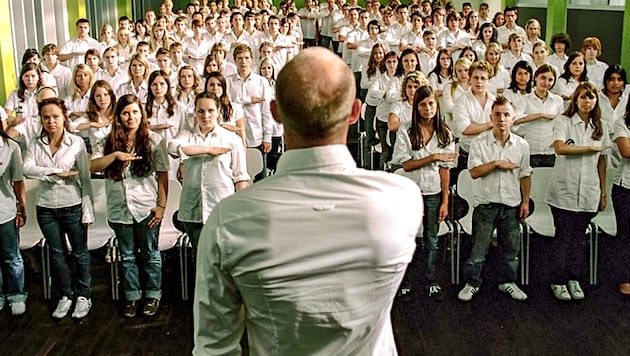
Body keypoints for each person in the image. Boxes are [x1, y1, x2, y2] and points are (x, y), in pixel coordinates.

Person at [193, 46, 422, 356]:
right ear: (355, 113)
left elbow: (215, 348)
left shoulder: (229, 220)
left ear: (276, 112)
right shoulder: (402, 199)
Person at [90, 94, 169, 317]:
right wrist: (115, 156)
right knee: (127, 256)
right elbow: (92, 166)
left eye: (135, 112)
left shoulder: (153, 140)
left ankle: (153, 295)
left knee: (150, 253)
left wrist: (162, 205)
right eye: (125, 113)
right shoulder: (107, 140)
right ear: (119, 116)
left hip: (146, 207)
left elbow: (163, 174)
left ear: (141, 114)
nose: (130, 117)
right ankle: (132, 296)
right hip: (119, 208)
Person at [23, 97, 94, 318]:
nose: (51, 121)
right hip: (45, 207)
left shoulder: (76, 143)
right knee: (57, 254)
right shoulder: (36, 143)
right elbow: (27, 167)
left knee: (80, 253)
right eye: (46, 117)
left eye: (55, 116)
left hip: (72, 204)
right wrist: (54, 173)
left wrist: (87, 209)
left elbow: (85, 178)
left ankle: (84, 295)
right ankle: (66, 295)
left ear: (64, 117)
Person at [457, 96, 532, 302]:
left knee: (511, 250)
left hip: (511, 204)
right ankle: (472, 283)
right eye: (497, 114)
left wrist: (525, 201)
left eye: (506, 115)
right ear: (491, 117)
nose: (501, 119)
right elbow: (474, 172)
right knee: (478, 250)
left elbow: (525, 174)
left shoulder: (522, 145)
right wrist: (497, 163)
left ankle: (507, 282)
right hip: (486, 204)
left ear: (513, 118)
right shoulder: (479, 142)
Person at [392, 85, 457, 301]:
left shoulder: (445, 132)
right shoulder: (406, 130)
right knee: (408, 238)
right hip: (410, 192)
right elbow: (407, 165)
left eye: (431, 103)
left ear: (437, 106)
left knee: (432, 239)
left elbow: (445, 171)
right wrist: (433, 157)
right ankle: (406, 282)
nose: (427, 108)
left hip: (433, 192)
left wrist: (445, 200)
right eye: (422, 104)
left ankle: (430, 280)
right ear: (415, 107)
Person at [545, 81, 609, 301]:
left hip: (589, 191)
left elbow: (602, 161)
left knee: (579, 239)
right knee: (563, 238)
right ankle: (558, 280)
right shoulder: (563, 121)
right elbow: (560, 148)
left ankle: (573, 279)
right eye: (583, 97)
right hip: (564, 190)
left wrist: (602, 192)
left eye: (591, 97)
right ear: (575, 99)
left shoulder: (600, 126)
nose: (587, 101)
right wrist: (590, 148)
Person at [168, 92, 249, 250]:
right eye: (200, 111)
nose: (205, 115)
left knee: (223, 256)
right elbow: (173, 147)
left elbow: (240, 178)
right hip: (193, 209)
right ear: (195, 112)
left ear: (218, 111)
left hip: (221, 208)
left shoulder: (232, 139)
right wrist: (209, 150)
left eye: (210, 110)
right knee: (199, 257)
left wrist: (240, 210)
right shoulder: (186, 134)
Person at [512, 64, 564, 167]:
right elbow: (515, 121)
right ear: (536, 77)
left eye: (550, 80)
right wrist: (540, 115)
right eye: (543, 78)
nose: (546, 83)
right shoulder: (525, 100)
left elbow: (561, 125)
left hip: (550, 150)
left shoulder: (558, 100)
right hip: (530, 150)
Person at [0, 119, 27, 316]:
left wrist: (21, 207)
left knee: (11, 256)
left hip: (5, 210)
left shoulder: (10, 147)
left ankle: (16, 294)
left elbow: (18, 180)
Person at [612, 93, 630, 295]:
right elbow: (626, 150)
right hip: (626, 187)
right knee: (625, 235)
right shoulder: (621, 123)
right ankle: (624, 278)